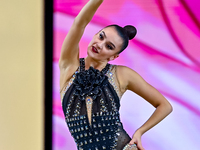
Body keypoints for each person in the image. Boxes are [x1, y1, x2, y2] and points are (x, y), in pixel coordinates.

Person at [59, 0, 173, 150]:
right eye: (101, 37)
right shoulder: (69, 66)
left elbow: (165, 106)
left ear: (114, 56)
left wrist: (139, 132)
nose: (99, 45)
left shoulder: (122, 74)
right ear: (95, 34)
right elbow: (79, 23)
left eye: (109, 46)